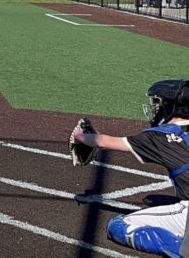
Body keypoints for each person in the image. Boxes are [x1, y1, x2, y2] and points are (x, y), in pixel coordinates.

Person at [72, 80, 189, 257]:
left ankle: (181, 248)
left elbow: (103, 142)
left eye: (157, 103)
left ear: (170, 105)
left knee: (118, 226)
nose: (155, 108)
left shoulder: (160, 136)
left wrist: (80, 137)